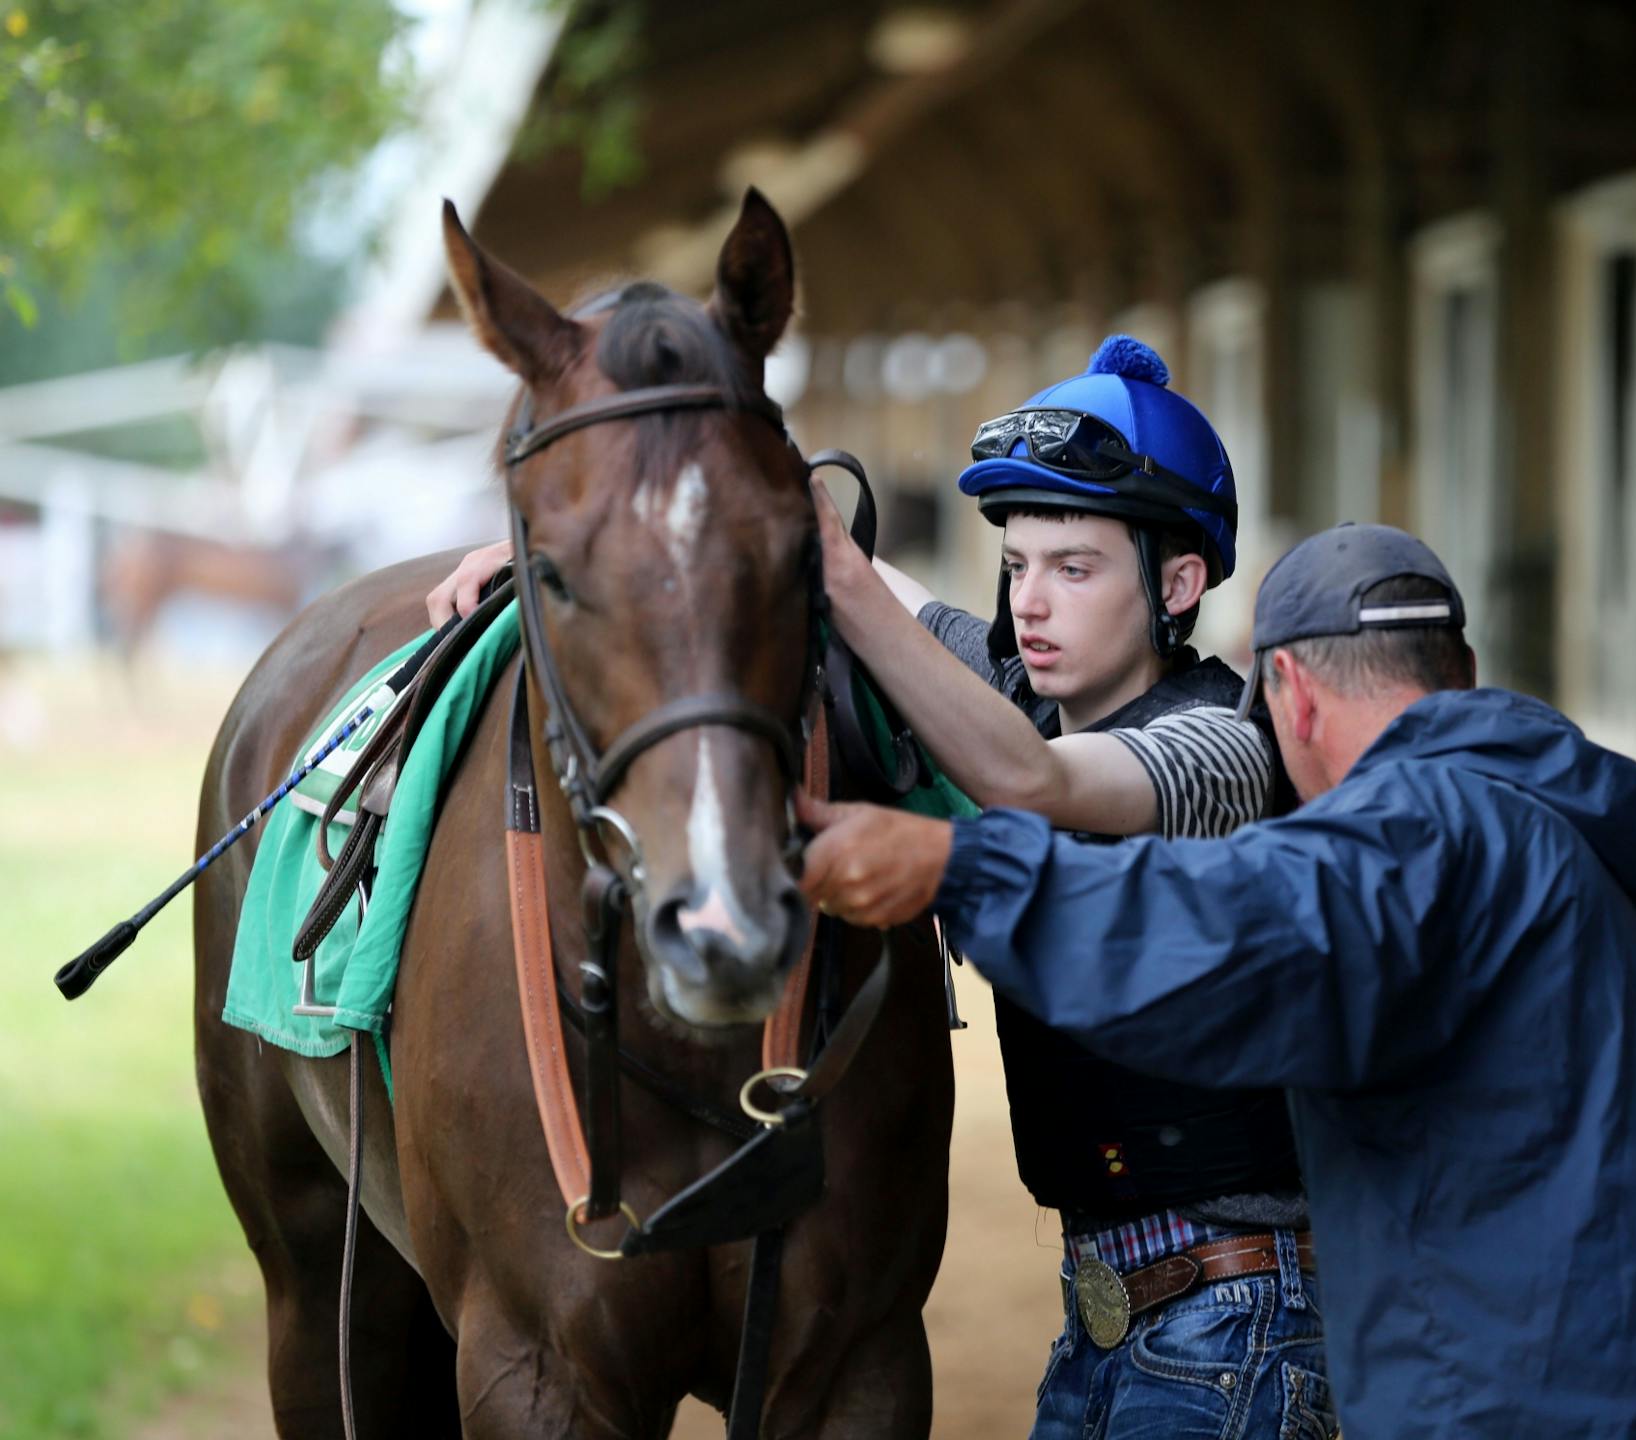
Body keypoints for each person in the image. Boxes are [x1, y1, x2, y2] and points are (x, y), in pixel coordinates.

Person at [425, 335, 1334, 1438]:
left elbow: (1029, 778)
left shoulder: (1223, 751)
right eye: (1017, 565)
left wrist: (840, 574)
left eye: (1075, 568)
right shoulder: (1015, 693)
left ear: (1178, 582)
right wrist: (584, 550)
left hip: (1235, 1319)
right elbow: (879, 595)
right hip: (1110, 1322)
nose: (1031, 603)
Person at [798, 523, 1636, 1438]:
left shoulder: (1424, 831)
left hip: (1537, 1401)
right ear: (1458, 673)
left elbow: (1228, 939)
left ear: (1295, 693)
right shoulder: (1563, 840)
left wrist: (958, 870)